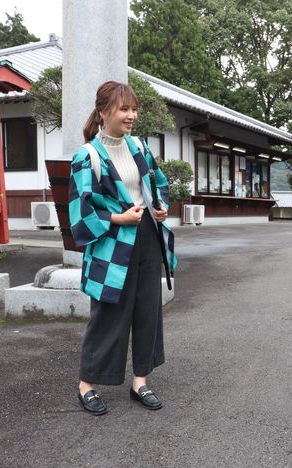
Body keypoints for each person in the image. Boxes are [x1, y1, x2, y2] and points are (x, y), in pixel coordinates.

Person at [69, 81, 176, 415]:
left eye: (134, 109)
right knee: (109, 313)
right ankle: (87, 385)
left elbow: (158, 183)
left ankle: (140, 381)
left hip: (145, 234)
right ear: (104, 113)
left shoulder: (139, 147)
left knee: (147, 310)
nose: (131, 116)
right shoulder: (86, 156)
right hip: (111, 242)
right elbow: (80, 210)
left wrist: (160, 207)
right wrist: (117, 217)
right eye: (124, 109)